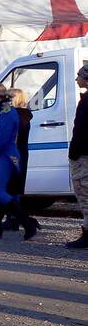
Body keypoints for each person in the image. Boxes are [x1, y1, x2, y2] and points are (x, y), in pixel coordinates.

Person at [0, 83, 38, 240]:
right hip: (5, 154)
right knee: (1, 191)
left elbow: (3, 138)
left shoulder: (6, 112)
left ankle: (27, 223)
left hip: (5, 155)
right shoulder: (5, 111)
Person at [2, 88, 33, 231]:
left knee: (11, 186)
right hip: (18, 153)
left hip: (14, 154)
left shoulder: (18, 116)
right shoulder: (22, 115)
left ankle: (15, 219)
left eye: (9, 98)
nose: (6, 100)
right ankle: (12, 218)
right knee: (12, 187)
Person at [67, 64, 88, 249]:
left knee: (85, 195)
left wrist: (74, 153)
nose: (76, 79)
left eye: (79, 76)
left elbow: (82, 131)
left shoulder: (87, 102)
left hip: (84, 157)